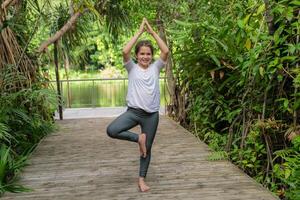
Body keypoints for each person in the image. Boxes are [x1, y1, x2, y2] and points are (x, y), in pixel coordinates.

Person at [106, 18, 169, 192]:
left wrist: (152, 32)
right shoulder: (131, 68)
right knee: (112, 130)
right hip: (133, 112)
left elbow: (166, 50)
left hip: (151, 115)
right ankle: (138, 138)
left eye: (148, 54)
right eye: (142, 54)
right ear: (137, 56)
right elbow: (125, 50)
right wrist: (140, 32)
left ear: (151, 56)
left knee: (146, 149)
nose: (145, 57)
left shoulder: (156, 67)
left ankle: (142, 180)